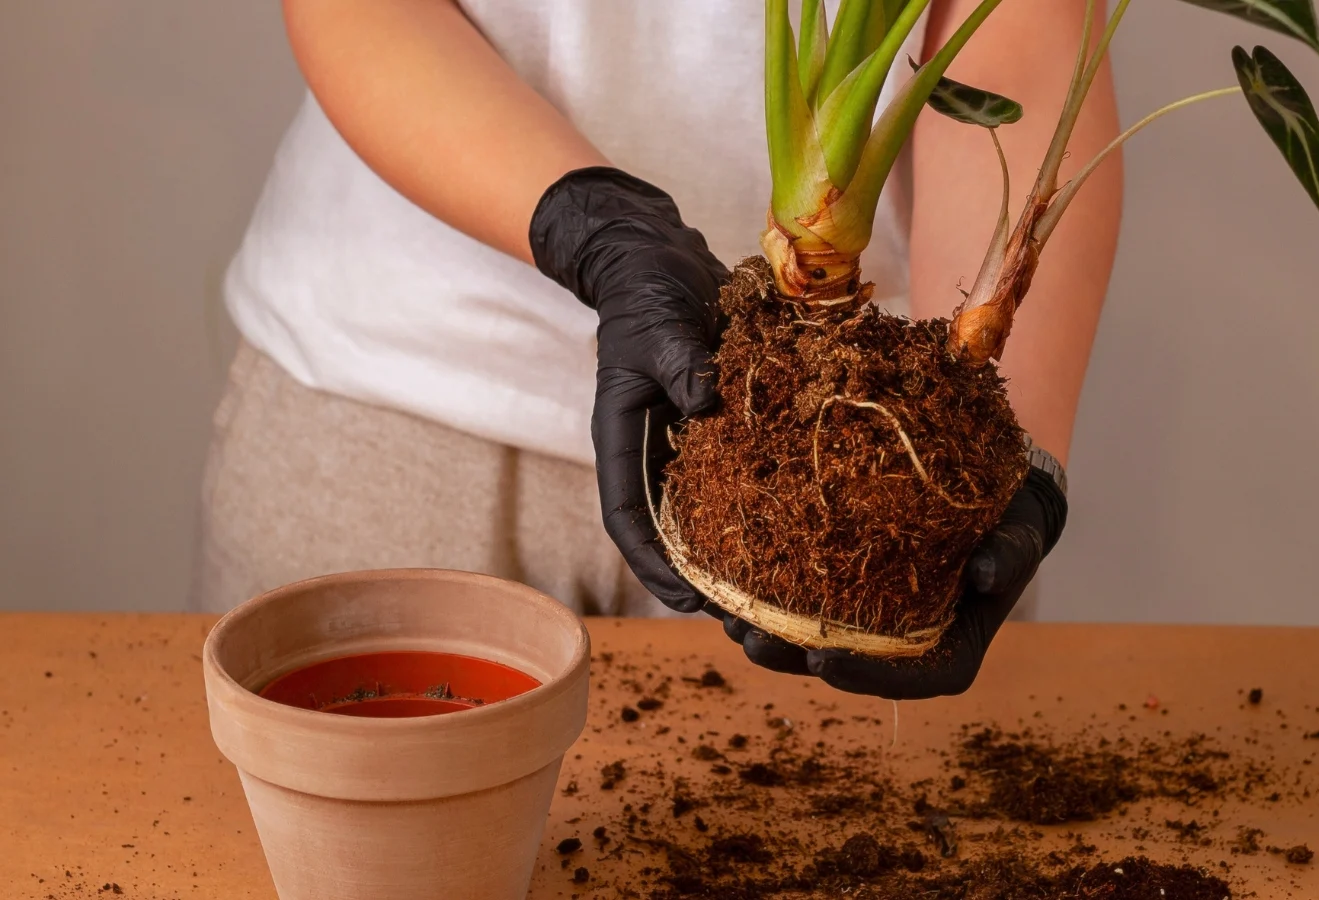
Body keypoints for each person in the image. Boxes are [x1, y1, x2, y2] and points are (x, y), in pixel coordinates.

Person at [190, 0, 1123, 699]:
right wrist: (594, 229)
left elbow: (1017, 56)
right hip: (395, 402)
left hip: (835, 468)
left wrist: (1010, 451)